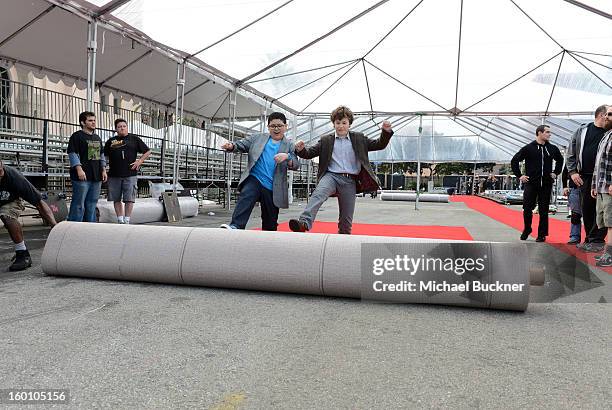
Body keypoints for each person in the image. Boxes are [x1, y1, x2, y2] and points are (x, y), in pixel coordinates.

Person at [289, 105, 393, 234]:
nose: (341, 126)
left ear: (349, 124)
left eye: (344, 123)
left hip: (350, 181)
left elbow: (379, 144)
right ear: (333, 124)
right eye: (338, 123)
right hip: (331, 176)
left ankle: (343, 241)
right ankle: (304, 222)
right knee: (318, 195)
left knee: (346, 218)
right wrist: (300, 150)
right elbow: (310, 153)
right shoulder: (326, 140)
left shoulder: (359, 138)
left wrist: (386, 132)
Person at [219, 112, 300, 230]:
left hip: (273, 187)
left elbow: (296, 164)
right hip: (255, 178)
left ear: (285, 126)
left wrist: (287, 157)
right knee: (246, 195)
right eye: (273, 126)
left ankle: (268, 239)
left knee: (270, 222)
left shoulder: (290, 145)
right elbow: (240, 145)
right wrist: (231, 146)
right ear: (268, 127)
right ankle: (236, 225)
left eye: (279, 125)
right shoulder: (257, 138)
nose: (276, 129)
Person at [566, 105, 612, 252]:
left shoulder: (609, 132)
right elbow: (570, 152)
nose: (609, 117)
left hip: (603, 177)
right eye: (609, 113)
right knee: (587, 209)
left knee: (603, 210)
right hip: (585, 177)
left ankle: (596, 240)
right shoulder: (582, 130)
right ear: (601, 115)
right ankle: (590, 239)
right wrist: (572, 171)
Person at [0, 161, 57, 271]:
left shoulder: (15, 177)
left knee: (7, 216)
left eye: (0, 172)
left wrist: (54, 225)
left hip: (10, 200)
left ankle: (22, 253)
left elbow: (39, 203)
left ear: (2, 165)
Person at [511, 124, 563, 242]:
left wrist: (556, 172)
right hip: (531, 183)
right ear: (539, 133)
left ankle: (542, 234)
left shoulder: (552, 148)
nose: (549, 134)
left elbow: (560, 160)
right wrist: (520, 176)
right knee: (527, 207)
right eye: (547, 132)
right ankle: (527, 228)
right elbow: (514, 160)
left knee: (544, 209)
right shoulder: (529, 148)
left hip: (546, 183)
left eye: (550, 132)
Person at [104, 119, 152, 224]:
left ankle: (127, 220)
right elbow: (104, 155)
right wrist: (104, 168)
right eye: (119, 126)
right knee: (116, 198)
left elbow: (148, 151)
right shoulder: (111, 141)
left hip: (130, 173)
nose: (122, 128)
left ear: (127, 127)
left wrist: (139, 161)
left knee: (129, 198)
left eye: (124, 126)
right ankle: (120, 219)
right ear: (116, 129)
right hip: (114, 174)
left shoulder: (134, 139)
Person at [67, 111, 107, 222]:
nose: (93, 122)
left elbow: (101, 155)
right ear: (83, 122)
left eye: (94, 120)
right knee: (78, 203)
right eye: (90, 120)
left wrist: (103, 170)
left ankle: (90, 227)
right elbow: (72, 153)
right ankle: (74, 226)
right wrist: (79, 169)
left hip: (96, 176)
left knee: (92, 203)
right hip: (82, 177)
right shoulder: (76, 136)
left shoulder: (97, 138)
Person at [591, 126, 612, 266]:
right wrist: (594, 184)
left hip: (609, 185)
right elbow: (598, 163)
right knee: (604, 220)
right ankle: (607, 251)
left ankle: (609, 254)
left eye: (610, 114)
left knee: (611, 222)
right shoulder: (606, 135)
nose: (607, 116)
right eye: (606, 113)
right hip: (602, 185)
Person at [562, 165, 582, 245]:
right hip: (574, 188)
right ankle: (574, 236)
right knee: (575, 214)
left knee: (590, 215)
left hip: (589, 187)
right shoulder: (572, 158)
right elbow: (565, 172)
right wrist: (564, 187)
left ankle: (590, 237)